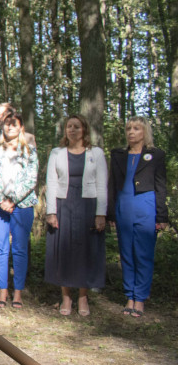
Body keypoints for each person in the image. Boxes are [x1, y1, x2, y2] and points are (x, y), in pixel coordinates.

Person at [44, 115, 107, 317]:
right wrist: (51, 212)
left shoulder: (96, 153)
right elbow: (51, 183)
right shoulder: (57, 153)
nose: (72, 130)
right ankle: (66, 297)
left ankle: (82, 297)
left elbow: (102, 185)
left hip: (88, 204)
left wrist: (100, 214)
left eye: (77, 127)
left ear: (84, 130)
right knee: (64, 250)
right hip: (63, 204)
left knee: (86, 251)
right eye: (69, 126)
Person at [107, 117, 168, 318]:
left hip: (146, 207)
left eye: (136, 129)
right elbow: (112, 185)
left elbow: (161, 187)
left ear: (145, 132)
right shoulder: (118, 155)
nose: (131, 132)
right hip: (123, 206)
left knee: (143, 254)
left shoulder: (156, 155)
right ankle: (129, 296)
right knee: (126, 253)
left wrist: (162, 216)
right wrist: (111, 213)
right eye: (128, 129)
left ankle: (140, 298)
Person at [0, 107, 38, 309]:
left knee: (20, 248)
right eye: (7, 123)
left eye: (14, 123)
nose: (10, 126)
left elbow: (32, 178)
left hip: (22, 206)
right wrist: (0, 199)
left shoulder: (29, 150)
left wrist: (13, 200)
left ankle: (18, 292)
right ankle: (3, 291)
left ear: (21, 127)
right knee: (0, 247)